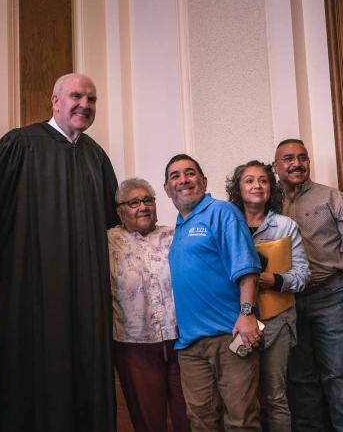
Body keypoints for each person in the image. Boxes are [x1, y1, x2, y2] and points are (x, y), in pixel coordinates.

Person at [0, 73, 119, 430]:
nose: (85, 104)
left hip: (88, 291)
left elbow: (111, 221)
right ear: (55, 100)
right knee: (36, 370)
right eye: (76, 96)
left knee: (87, 368)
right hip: (33, 287)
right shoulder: (21, 144)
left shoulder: (95, 156)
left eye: (92, 99)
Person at [272, 139, 343, 432]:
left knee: (336, 373)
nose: (297, 163)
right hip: (286, 300)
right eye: (288, 158)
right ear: (275, 165)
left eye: (302, 157)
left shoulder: (332, 198)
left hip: (330, 295)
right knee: (300, 377)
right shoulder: (267, 200)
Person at [164, 154, 263, 431]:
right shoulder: (180, 227)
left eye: (190, 173)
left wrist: (246, 315)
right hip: (190, 346)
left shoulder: (222, 212)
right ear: (167, 189)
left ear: (203, 181)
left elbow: (248, 268)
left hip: (229, 336)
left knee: (241, 420)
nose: (183, 180)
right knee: (201, 422)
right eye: (175, 176)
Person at [227, 160, 310, 432]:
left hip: (277, 323)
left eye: (263, 180)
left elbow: (303, 275)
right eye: (249, 180)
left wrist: (273, 280)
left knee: (276, 397)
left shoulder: (285, 226)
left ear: (270, 188)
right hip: (235, 321)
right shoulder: (227, 224)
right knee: (241, 398)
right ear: (238, 188)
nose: (257, 185)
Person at [107, 178, 189, 432]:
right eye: (133, 202)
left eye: (148, 200)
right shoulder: (107, 242)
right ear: (120, 211)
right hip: (134, 345)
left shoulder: (174, 235)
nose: (143, 207)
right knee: (148, 420)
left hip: (181, 340)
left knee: (188, 415)